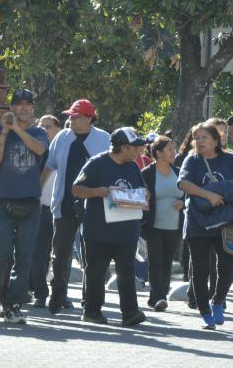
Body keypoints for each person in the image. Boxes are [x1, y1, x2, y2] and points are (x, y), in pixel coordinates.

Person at [179, 122, 233, 329]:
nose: (199, 141)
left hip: (228, 222)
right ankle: (205, 312)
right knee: (200, 269)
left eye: (204, 137)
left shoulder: (230, 159)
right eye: (197, 138)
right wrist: (208, 194)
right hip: (198, 223)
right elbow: (183, 183)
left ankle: (218, 302)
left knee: (226, 268)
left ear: (215, 140)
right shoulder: (192, 160)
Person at [0, 89, 48, 324]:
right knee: (0, 253)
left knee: (25, 257)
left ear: (33, 109)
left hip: (30, 202)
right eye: (18, 104)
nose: (23, 108)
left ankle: (13, 304)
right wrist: (3, 132)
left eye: (28, 105)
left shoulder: (39, 132)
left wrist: (18, 129)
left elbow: (40, 150)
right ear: (11, 108)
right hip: (2, 200)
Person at [73, 127, 149, 327]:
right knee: (96, 272)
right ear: (123, 147)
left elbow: (143, 189)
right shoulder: (96, 163)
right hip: (99, 229)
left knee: (126, 270)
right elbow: (76, 189)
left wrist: (144, 195)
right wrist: (100, 192)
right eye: (134, 147)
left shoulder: (133, 167)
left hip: (127, 229)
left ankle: (130, 312)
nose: (138, 151)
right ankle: (92, 311)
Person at [44, 99, 111, 314]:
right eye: (70, 116)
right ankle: (57, 295)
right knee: (60, 253)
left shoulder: (104, 139)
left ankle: (89, 300)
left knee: (91, 253)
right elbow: (49, 166)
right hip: (64, 202)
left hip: (94, 205)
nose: (71, 120)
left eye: (76, 116)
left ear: (89, 118)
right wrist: (37, 191)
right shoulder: (62, 137)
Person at [141, 136, 183, 312]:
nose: (174, 152)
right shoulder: (147, 173)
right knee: (156, 261)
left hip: (174, 226)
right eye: (170, 149)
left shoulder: (180, 171)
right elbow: (139, 194)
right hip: (153, 225)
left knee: (167, 262)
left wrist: (184, 202)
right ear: (158, 153)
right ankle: (159, 296)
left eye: (174, 149)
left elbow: (189, 193)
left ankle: (158, 296)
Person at [30, 115, 60, 307]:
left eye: (48, 126)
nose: (44, 129)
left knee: (60, 254)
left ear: (57, 129)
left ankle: (60, 294)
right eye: (41, 126)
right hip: (40, 207)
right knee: (38, 252)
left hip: (60, 209)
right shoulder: (37, 149)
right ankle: (40, 293)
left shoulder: (64, 148)